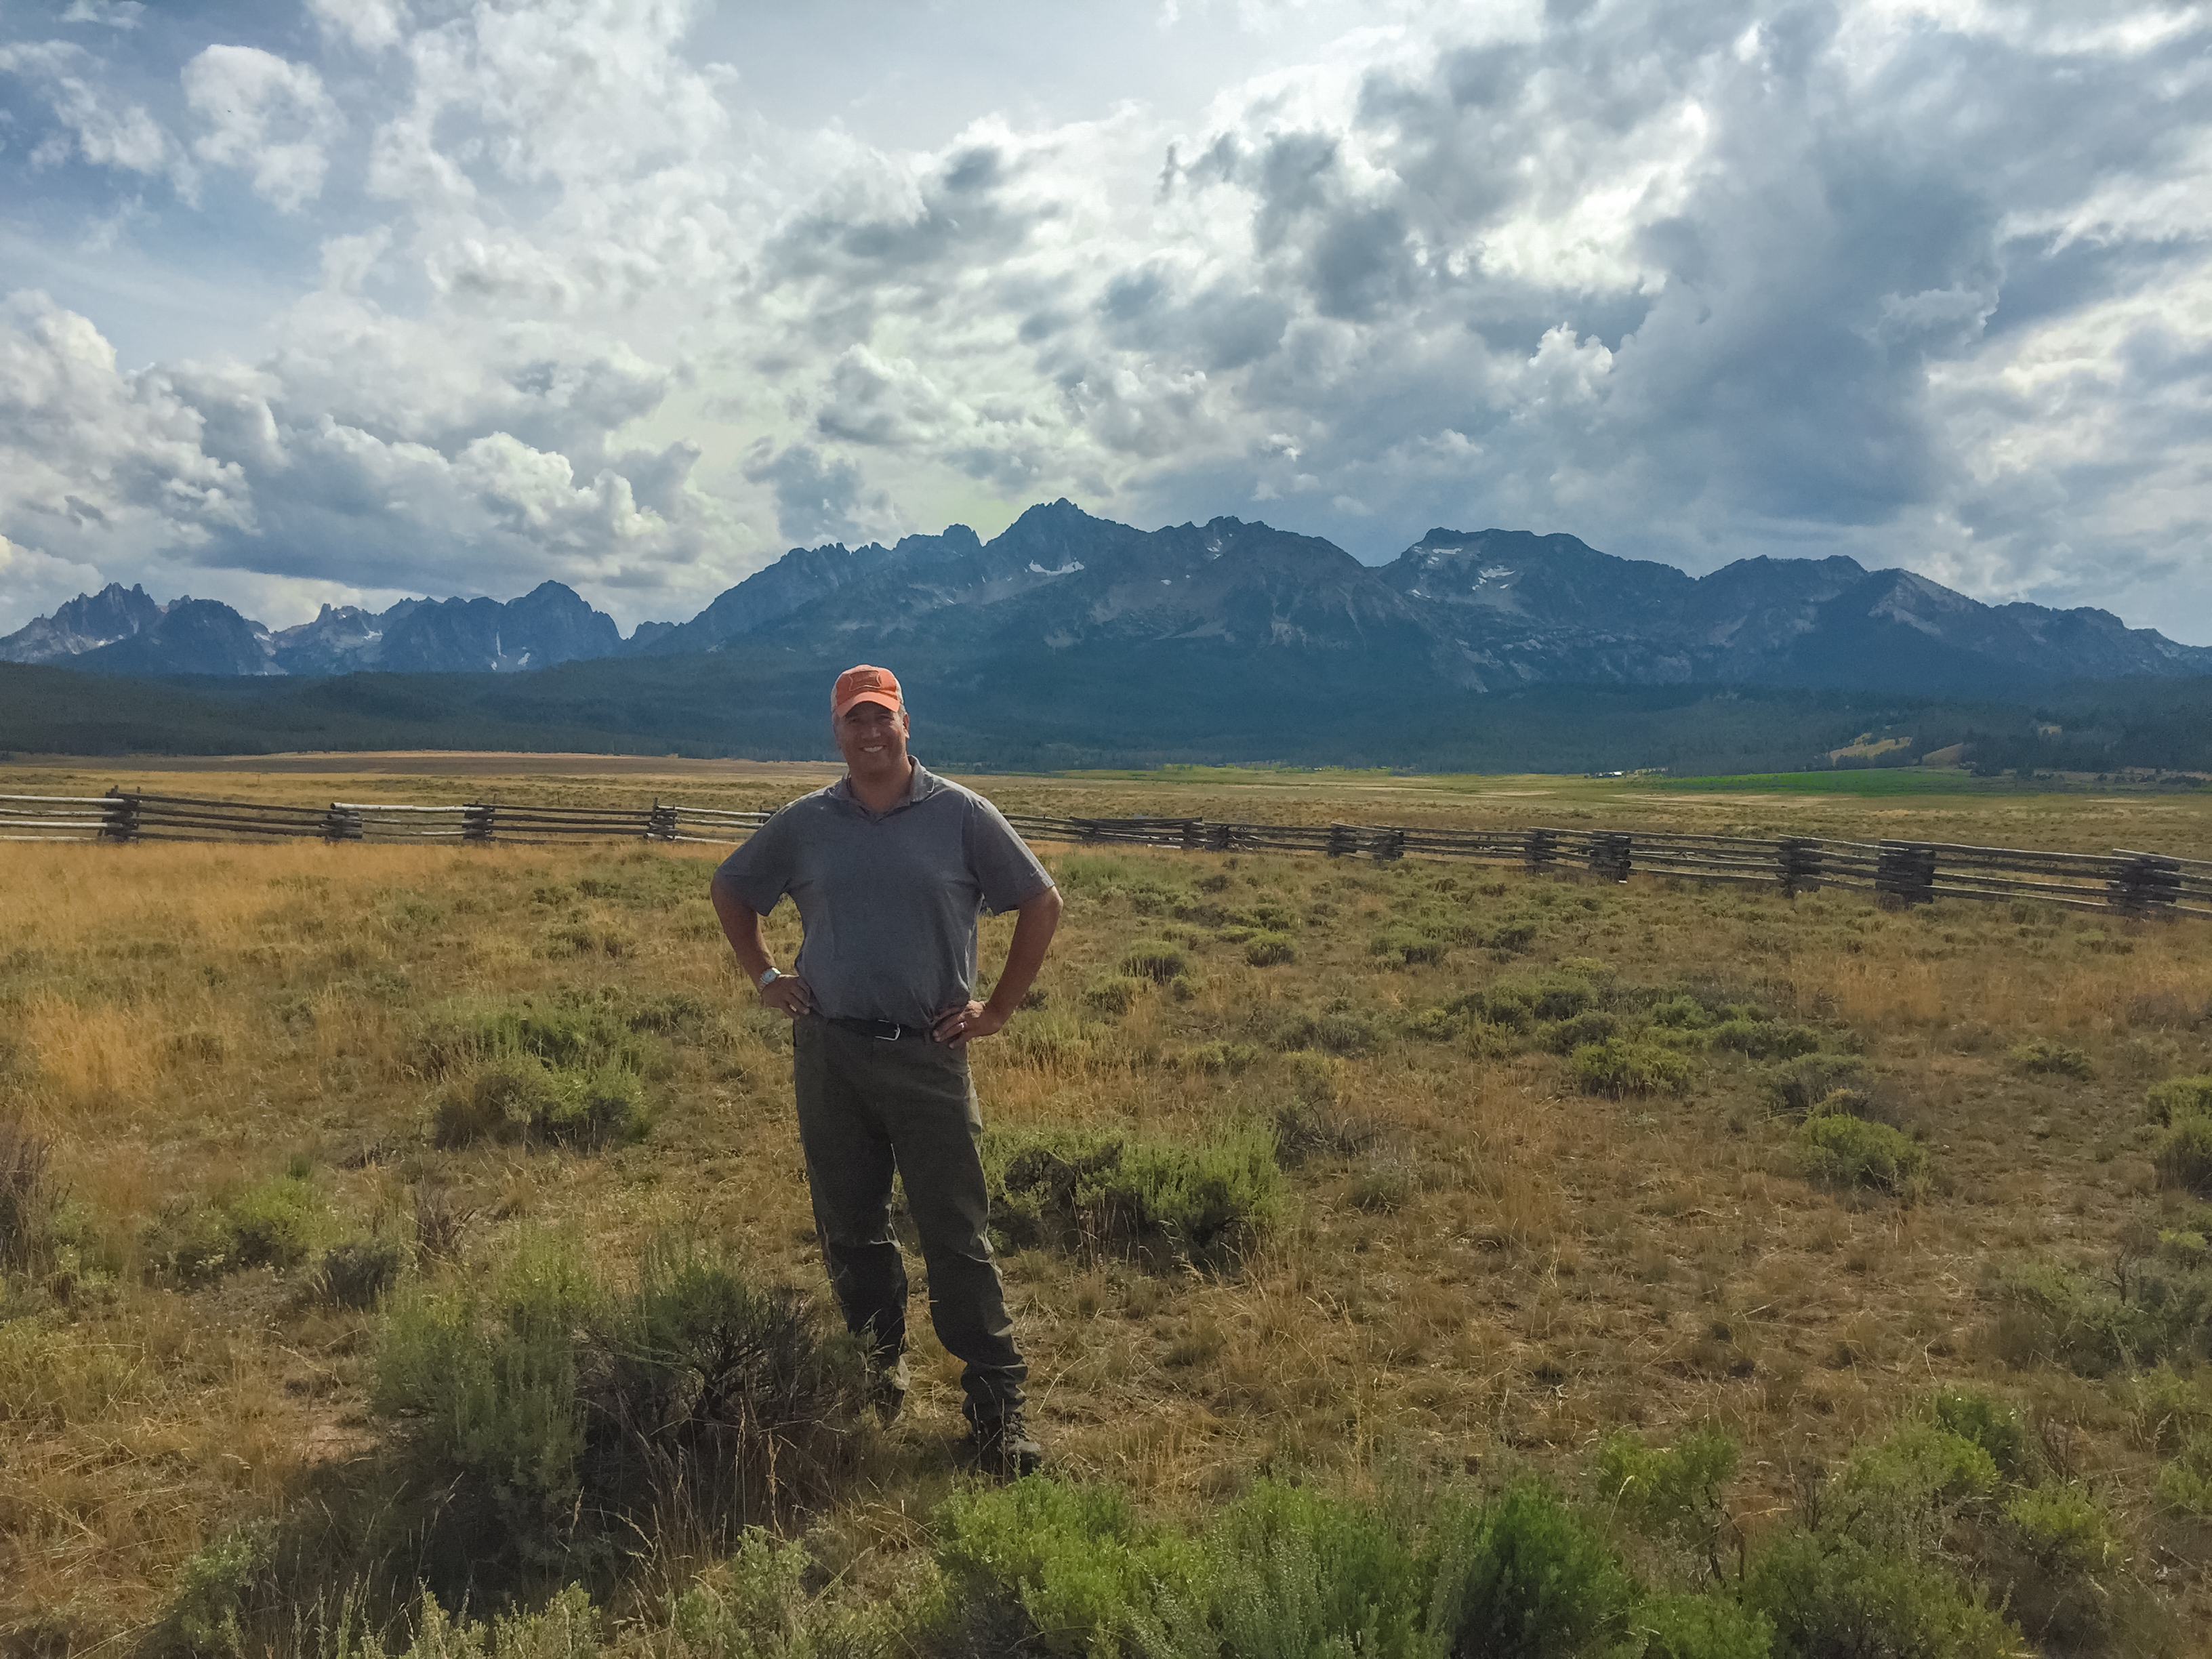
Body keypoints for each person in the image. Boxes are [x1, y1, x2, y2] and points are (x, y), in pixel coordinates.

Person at [708, 663, 1063, 1476]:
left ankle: (995, 1407)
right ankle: (875, 1370)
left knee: (956, 1234)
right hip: (830, 1051)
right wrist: (765, 975)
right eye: (854, 721)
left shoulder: (962, 815)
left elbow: (1041, 903)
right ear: (836, 732)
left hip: (929, 1055)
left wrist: (997, 1009)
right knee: (851, 1226)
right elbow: (732, 888)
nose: (870, 734)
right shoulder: (807, 823)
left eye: (883, 719)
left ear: (907, 725)